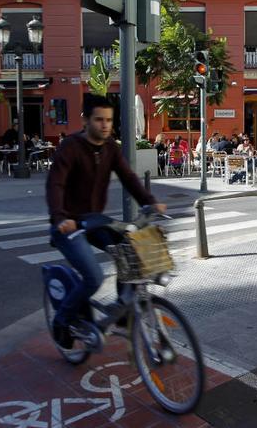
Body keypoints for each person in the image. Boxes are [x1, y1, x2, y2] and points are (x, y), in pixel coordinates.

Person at [45, 95, 164, 347]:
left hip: (95, 221)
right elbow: (55, 183)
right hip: (69, 225)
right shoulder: (70, 147)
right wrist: (59, 217)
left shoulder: (110, 147)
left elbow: (129, 177)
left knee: (130, 247)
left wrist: (149, 201)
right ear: (85, 120)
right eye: (99, 120)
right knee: (94, 278)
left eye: (109, 120)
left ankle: (122, 310)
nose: (105, 125)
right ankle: (61, 320)